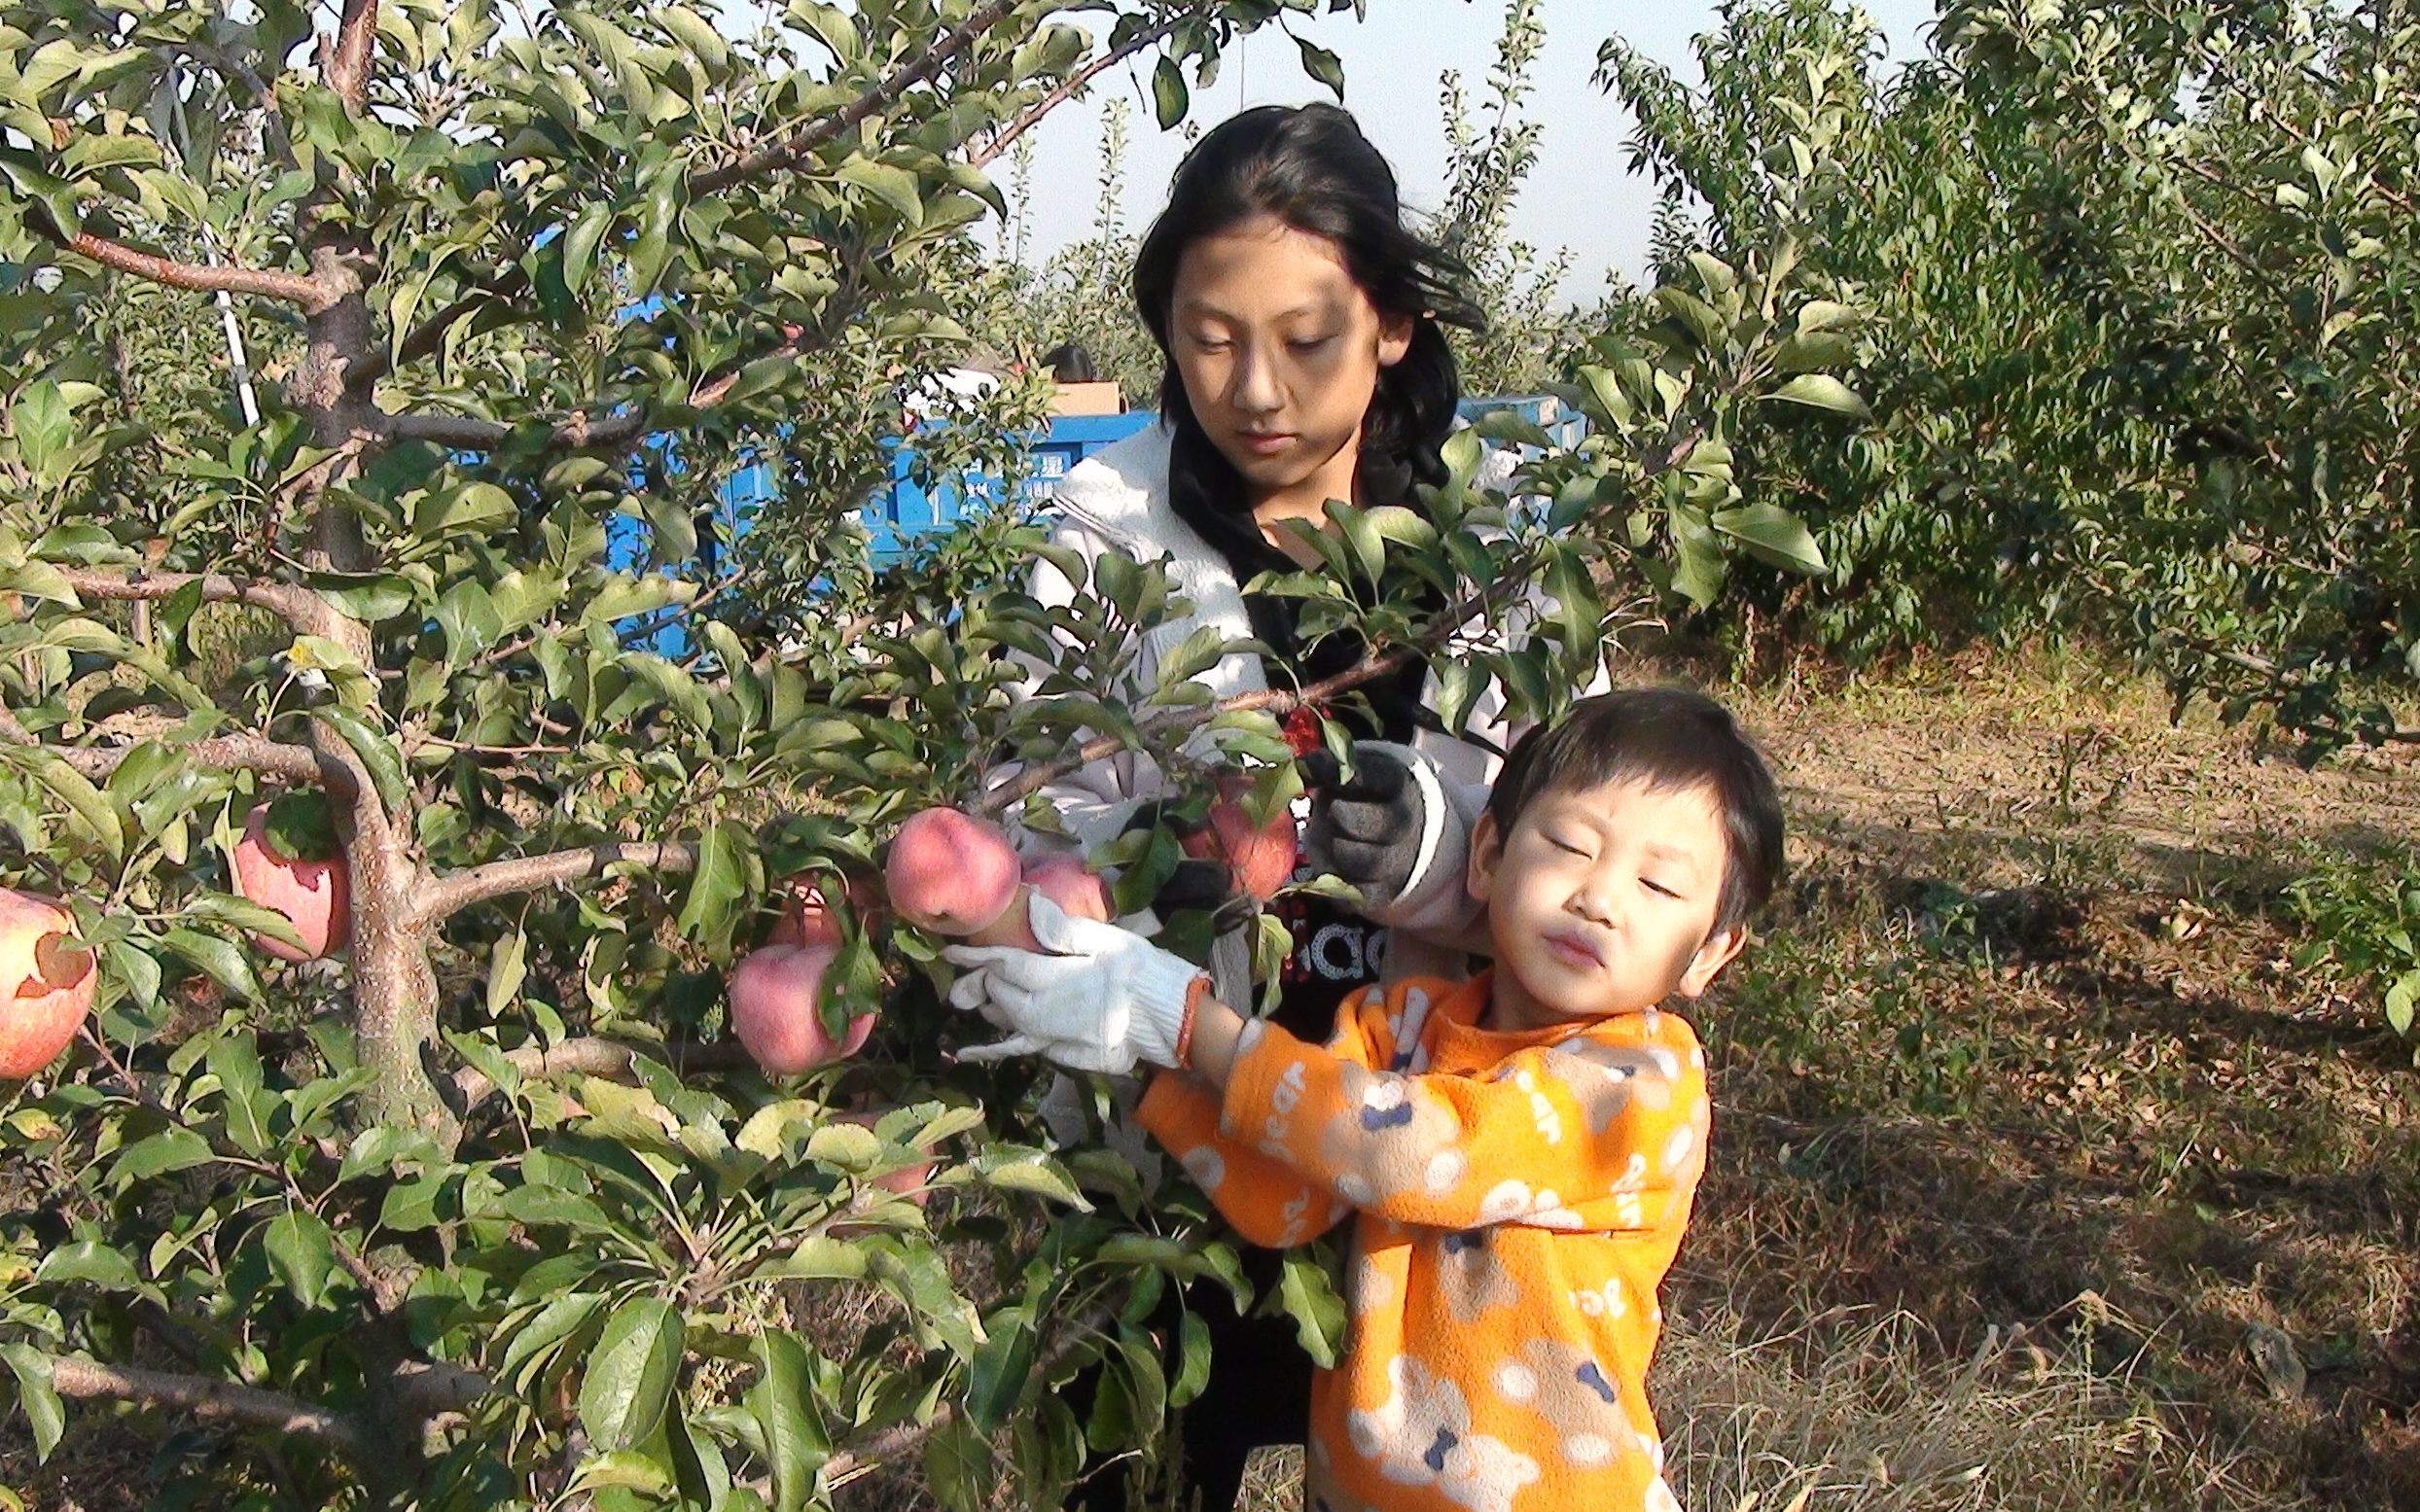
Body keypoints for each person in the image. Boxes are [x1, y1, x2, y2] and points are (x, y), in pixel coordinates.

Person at [992, 102, 1585, 1509]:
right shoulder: (1104, 534)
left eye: (1305, 340)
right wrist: (1140, 874)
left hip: (1413, 1167)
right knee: (1133, 1474)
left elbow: (1599, 838)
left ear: (1389, 323)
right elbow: (1032, 818)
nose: (1255, 387)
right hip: (1166, 1162)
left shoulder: (1500, 538)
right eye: (1210, 337)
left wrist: (1447, 848)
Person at [951, 687, 1785, 1512]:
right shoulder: (1406, 1021)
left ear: (1710, 951)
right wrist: (1137, 1055)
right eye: (1569, 844)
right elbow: (1288, 1195)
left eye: (1659, 887)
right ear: (1489, 855)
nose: (1599, 898)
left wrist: (1184, 1020)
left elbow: (1411, 1153)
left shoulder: (1641, 1083)